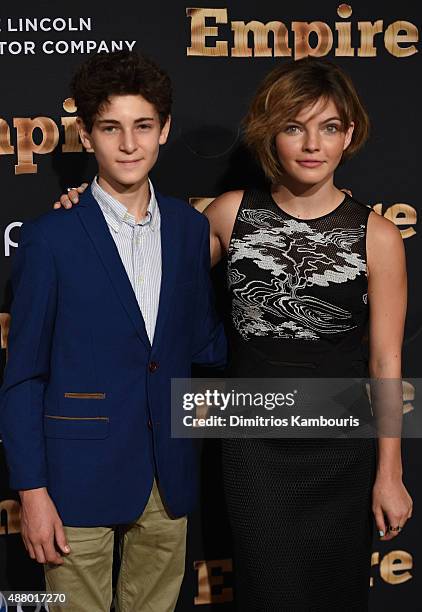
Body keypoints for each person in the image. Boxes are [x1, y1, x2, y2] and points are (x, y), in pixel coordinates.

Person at [55, 59, 413, 610]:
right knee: (264, 592)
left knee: (336, 595)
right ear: (272, 133)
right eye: (295, 126)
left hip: (342, 446)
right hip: (253, 444)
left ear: (350, 135)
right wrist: (87, 210)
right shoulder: (227, 214)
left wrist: (390, 473)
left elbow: (386, 363)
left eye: (330, 127)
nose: (312, 143)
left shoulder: (379, 236)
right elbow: (147, 253)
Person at [0, 50, 226, 612]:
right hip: (74, 477)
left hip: (168, 476)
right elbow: (24, 376)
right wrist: (31, 493)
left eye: (143, 126)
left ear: (164, 130)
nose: (129, 144)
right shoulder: (50, 238)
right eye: (111, 128)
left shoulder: (188, 229)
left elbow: (202, 343)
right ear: (86, 135)